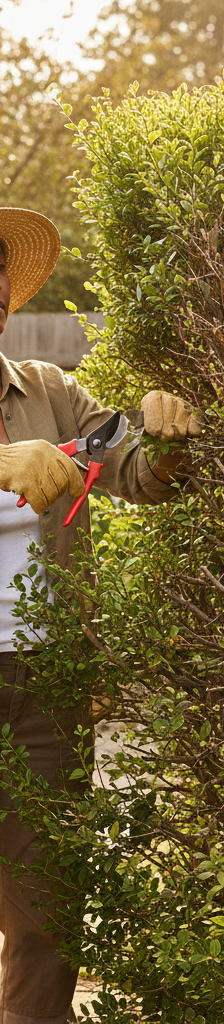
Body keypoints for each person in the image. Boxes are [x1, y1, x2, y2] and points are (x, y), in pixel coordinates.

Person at [0, 207, 202, 1024]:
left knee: (46, 920)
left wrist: (173, 435)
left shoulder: (49, 391)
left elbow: (135, 470)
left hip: (44, 685)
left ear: (5, 293)